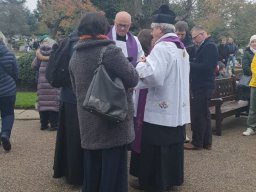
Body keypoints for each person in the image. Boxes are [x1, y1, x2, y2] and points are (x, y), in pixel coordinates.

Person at [69, 12, 139, 192]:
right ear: (105, 28)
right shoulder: (110, 51)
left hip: (88, 121)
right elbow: (132, 78)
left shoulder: (75, 55)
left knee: (92, 170)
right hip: (112, 120)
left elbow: (76, 89)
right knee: (113, 173)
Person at [131, 5, 191, 192]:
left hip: (160, 109)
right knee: (171, 146)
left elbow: (153, 77)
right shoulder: (181, 49)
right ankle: (170, 178)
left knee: (155, 147)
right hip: (175, 108)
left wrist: (141, 65)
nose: (152, 33)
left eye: (153, 29)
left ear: (159, 29)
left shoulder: (162, 48)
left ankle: (154, 182)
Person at [53, 31, 84, 186]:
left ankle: (64, 171)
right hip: (76, 97)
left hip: (66, 96)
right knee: (76, 139)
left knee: (66, 137)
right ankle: (76, 176)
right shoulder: (79, 44)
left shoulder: (67, 42)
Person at [184, 26, 218, 150]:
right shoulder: (206, 45)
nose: (193, 41)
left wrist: (189, 64)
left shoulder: (209, 46)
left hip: (203, 86)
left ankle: (197, 142)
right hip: (203, 85)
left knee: (198, 115)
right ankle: (206, 142)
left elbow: (207, 67)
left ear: (202, 34)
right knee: (205, 114)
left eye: (195, 37)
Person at [129, 29, 153, 188]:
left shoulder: (149, 56)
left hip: (142, 97)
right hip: (143, 96)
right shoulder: (147, 56)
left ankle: (138, 171)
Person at [175, 20, 196, 143]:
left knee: (184, 106)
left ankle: (184, 133)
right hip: (174, 78)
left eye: (182, 34)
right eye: (178, 34)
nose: (180, 37)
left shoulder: (190, 45)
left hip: (186, 79)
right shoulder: (171, 42)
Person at [33, 38, 60, 131]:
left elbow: (33, 66)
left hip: (42, 83)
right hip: (52, 83)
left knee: (43, 103)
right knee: (53, 104)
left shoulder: (38, 54)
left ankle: (43, 124)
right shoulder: (56, 55)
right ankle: (54, 125)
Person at [0, 39, 18, 152]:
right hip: (8, 90)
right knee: (8, 113)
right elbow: (15, 73)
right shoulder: (10, 55)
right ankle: (5, 134)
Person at [242, 35, 256, 136]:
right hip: (253, 82)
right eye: (253, 41)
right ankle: (251, 126)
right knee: (253, 106)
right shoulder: (247, 53)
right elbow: (247, 68)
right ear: (250, 43)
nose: (254, 43)